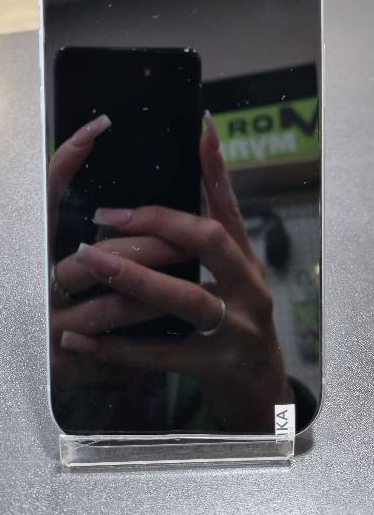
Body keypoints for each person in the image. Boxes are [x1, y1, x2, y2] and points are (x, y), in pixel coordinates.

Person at [48, 112, 315, 433]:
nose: (116, 241)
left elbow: (288, 446)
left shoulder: (208, 361)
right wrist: (12, 369)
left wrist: (272, 406)